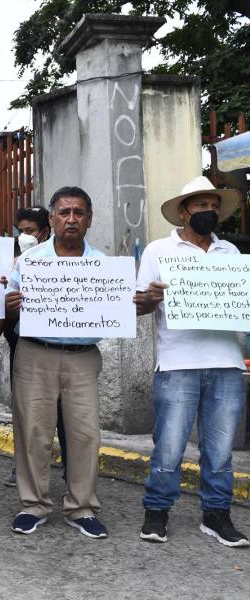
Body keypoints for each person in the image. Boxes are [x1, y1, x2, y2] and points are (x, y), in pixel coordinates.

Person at [134, 176, 248, 547]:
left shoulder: (230, 254)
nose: (209, 212)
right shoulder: (157, 251)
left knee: (220, 448)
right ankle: (157, 511)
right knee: (169, 445)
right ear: (183, 211)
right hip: (177, 363)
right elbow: (138, 307)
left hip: (227, 362)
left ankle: (217, 515)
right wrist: (150, 298)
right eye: (201, 206)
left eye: (213, 206)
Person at [5, 186, 109, 539]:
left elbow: (115, 309)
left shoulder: (103, 265)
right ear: (52, 218)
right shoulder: (29, 264)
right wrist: (9, 304)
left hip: (82, 358)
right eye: (64, 212)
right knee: (33, 430)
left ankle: (82, 507)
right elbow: (4, 303)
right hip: (36, 353)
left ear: (89, 219)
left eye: (79, 212)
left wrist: (132, 303)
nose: (71, 218)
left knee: (85, 433)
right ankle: (32, 504)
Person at [0, 207, 67, 488]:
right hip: (21, 345)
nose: (24, 236)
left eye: (30, 230)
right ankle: (22, 467)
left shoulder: (59, 259)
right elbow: (1, 305)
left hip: (56, 345)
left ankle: (71, 466)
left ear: (45, 230)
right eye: (20, 230)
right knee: (25, 410)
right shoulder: (11, 262)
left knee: (63, 410)